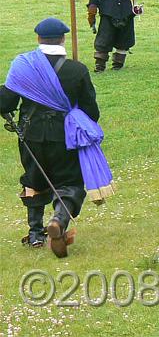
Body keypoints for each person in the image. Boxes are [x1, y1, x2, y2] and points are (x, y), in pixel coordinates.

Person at [0, 18, 101, 258]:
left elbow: (6, 101)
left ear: (38, 39)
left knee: (33, 180)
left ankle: (36, 234)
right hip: (64, 135)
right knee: (69, 182)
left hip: (31, 134)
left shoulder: (23, 65)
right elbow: (91, 111)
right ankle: (57, 220)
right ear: (63, 39)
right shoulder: (77, 69)